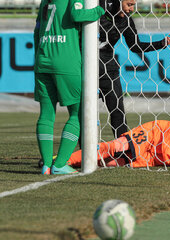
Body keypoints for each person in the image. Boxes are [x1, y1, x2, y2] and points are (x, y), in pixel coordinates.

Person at [34, 0, 105, 174]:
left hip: (43, 59)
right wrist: (100, 10)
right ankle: (59, 164)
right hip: (66, 61)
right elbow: (78, 15)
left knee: (46, 113)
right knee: (80, 113)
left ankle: (46, 165)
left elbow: (37, 31)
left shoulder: (45, 1)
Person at [98, 0, 170, 138]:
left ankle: (123, 152)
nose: (131, 9)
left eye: (133, 5)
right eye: (129, 4)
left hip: (108, 68)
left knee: (117, 110)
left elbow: (136, 46)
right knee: (83, 112)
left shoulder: (126, 20)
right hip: (83, 65)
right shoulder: (97, 9)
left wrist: (162, 44)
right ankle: (82, 154)